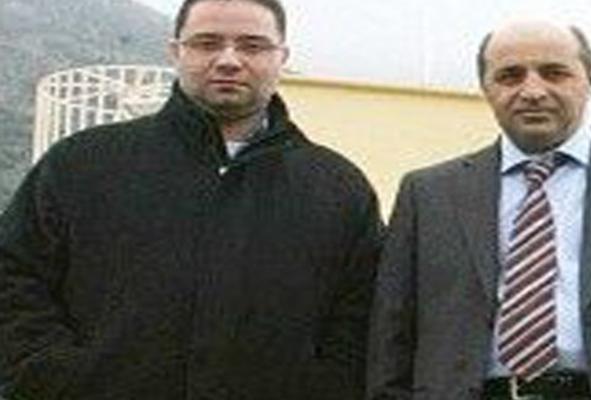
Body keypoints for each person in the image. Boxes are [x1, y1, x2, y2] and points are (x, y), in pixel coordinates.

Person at [0, 0, 383, 399]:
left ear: (281, 58)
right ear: (176, 52)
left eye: (252, 46)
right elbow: (13, 276)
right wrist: (52, 378)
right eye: (207, 43)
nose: (229, 60)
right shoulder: (82, 163)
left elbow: (361, 317)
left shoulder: (338, 189)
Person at [367, 20, 591, 400]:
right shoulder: (428, 194)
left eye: (554, 73)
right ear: (486, 88)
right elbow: (391, 334)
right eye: (510, 76)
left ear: (589, 80)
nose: (533, 91)